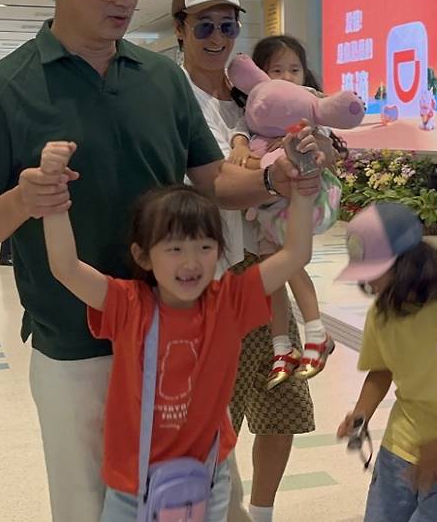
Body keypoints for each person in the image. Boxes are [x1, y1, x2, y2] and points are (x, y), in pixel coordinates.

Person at [0, 0, 319, 522]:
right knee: (91, 507)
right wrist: (23, 198)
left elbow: (214, 182)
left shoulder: (161, 77)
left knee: (205, 498)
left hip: (181, 332)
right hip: (75, 345)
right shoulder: (10, 88)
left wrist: (280, 178)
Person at [38, 139, 318, 521]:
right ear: (142, 256)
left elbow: (296, 253)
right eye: (174, 249)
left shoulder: (229, 302)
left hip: (207, 480)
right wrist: (52, 192)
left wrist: (304, 188)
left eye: (204, 247)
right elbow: (65, 268)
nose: (191, 262)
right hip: (131, 486)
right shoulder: (128, 304)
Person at [172, 0, 318, 522]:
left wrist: (313, 152)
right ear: (180, 28)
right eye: (204, 25)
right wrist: (274, 171)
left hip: (263, 269)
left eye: (228, 25)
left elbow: (319, 147)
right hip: (204, 281)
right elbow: (214, 181)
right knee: (214, 414)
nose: (217, 37)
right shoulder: (171, 97)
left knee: (283, 403)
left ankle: (261, 512)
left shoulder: (251, 97)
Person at [336, 202, 437, 522]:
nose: (369, 283)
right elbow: (381, 369)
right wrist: (361, 415)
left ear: (407, 263)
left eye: (374, 271)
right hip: (400, 446)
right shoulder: (383, 311)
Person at [237, 35, 349, 389]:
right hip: (266, 210)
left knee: (290, 263)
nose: (287, 77)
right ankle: (281, 346)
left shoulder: (309, 110)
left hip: (297, 204)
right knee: (272, 277)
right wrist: (243, 146)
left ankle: (316, 332)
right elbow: (240, 138)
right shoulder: (254, 112)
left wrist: (308, 146)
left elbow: (328, 151)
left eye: (294, 69)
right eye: (277, 70)